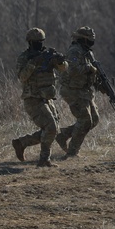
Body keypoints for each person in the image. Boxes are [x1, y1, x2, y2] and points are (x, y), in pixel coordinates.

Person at [11, 27, 68, 168]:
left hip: (47, 98)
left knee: (52, 130)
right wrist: (34, 62)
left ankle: (22, 143)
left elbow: (63, 69)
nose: (39, 44)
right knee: (51, 128)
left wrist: (61, 61)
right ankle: (44, 160)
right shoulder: (24, 58)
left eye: (41, 42)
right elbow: (22, 77)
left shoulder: (47, 55)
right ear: (29, 43)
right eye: (35, 42)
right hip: (32, 98)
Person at [56, 26, 102, 159]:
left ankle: (63, 135)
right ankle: (72, 152)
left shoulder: (87, 52)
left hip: (84, 90)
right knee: (85, 120)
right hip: (72, 90)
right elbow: (72, 69)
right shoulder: (75, 51)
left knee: (94, 119)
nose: (91, 42)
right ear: (83, 39)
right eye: (89, 40)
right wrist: (89, 68)